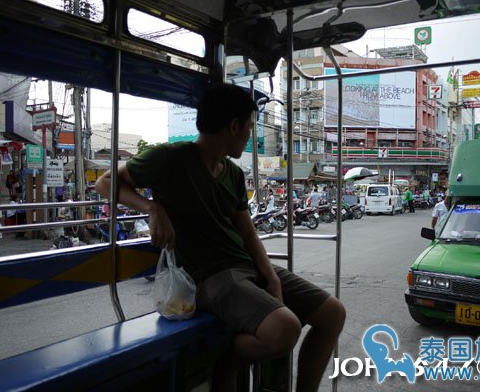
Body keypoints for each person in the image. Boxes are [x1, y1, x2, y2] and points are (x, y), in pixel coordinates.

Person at [95, 83, 345, 392]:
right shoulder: (170, 158)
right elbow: (105, 183)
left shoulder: (233, 173)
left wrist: (271, 276)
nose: (250, 135)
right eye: (250, 128)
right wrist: (152, 207)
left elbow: (248, 232)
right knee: (285, 329)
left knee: (333, 313)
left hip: (244, 267)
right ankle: (227, 361)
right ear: (234, 125)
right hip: (209, 277)